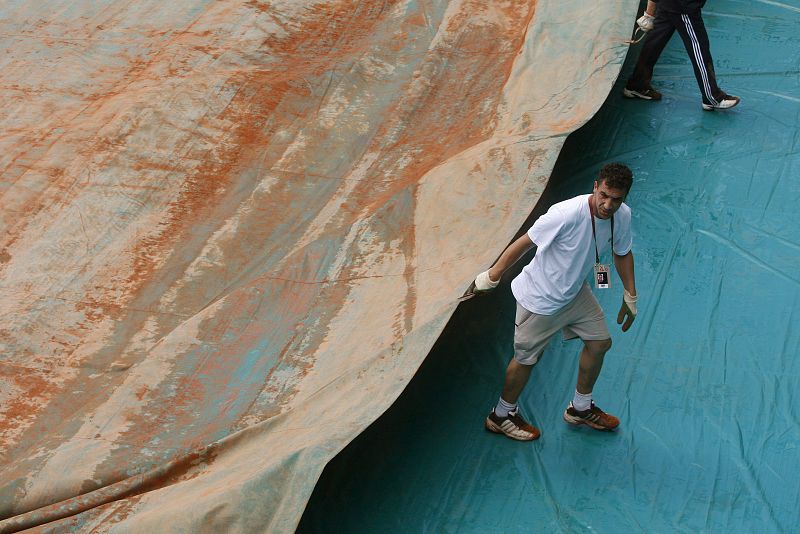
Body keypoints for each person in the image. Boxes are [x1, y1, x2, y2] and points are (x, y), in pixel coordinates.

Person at [471, 163, 638, 441]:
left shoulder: (622, 216)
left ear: (625, 198)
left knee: (599, 344)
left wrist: (630, 294)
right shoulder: (565, 214)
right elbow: (525, 243)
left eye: (616, 199)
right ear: (595, 187)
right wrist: (491, 276)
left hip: (574, 293)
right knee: (526, 360)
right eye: (604, 195)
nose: (608, 205)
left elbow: (622, 252)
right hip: (540, 300)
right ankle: (500, 416)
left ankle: (580, 409)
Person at [624, 0, 740, 111]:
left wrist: (649, 13)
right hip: (683, 6)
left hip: (668, 4)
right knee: (698, 47)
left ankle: (637, 83)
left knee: (655, 42)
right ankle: (712, 97)